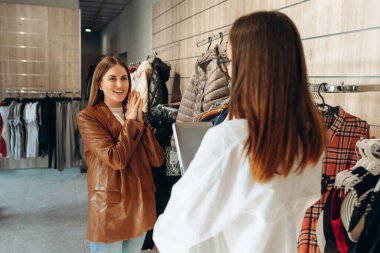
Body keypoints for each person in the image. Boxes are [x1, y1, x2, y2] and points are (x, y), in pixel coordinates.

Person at [153, 11, 326, 253]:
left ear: (250, 66)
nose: (229, 70)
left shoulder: (231, 140)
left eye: (230, 61)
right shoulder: (308, 139)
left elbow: (175, 230)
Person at [77, 56, 165, 253]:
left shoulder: (134, 112)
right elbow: (116, 159)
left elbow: (157, 159)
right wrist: (131, 121)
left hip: (140, 208)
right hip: (110, 211)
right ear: (99, 83)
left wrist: (141, 119)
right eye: (112, 78)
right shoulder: (89, 117)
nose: (120, 84)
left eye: (124, 78)